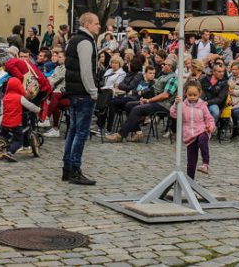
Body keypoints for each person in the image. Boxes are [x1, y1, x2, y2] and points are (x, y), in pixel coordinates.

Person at [62, 12, 101, 186]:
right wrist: (93, 92)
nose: (98, 26)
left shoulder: (73, 39)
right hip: (83, 93)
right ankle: (75, 169)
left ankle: (67, 168)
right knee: (80, 132)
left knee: (73, 130)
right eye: (96, 23)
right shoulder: (85, 42)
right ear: (87, 24)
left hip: (74, 90)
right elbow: (86, 71)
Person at [106, 56, 179, 143]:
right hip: (155, 102)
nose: (162, 66)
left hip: (163, 105)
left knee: (137, 109)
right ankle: (138, 132)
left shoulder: (173, 78)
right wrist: (145, 99)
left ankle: (120, 135)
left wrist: (149, 100)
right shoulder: (162, 76)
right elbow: (153, 90)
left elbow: (165, 95)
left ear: (170, 67)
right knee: (129, 105)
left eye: (164, 64)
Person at [171, 81, 215, 178]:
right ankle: (190, 182)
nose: (192, 97)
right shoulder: (182, 105)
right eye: (190, 95)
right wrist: (175, 104)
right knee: (191, 162)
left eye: (195, 95)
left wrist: (210, 127)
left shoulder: (202, 106)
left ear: (199, 94)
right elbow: (173, 114)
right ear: (185, 93)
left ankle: (205, 164)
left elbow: (209, 118)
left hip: (202, 130)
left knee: (202, 141)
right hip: (189, 135)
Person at [43, 50, 68, 138]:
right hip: (57, 90)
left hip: (65, 91)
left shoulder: (66, 68)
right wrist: (49, 80)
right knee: (55, 103)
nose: (58, 58)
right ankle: (55, 129)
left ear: (66, 58)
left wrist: (50, 81)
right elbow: (51, 77)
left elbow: (58, 79)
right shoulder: (57, 68)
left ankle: (46, 117)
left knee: (54, 96)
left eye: (60, 57)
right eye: (58, 56)